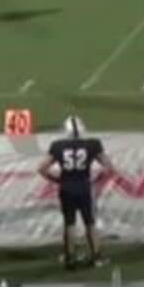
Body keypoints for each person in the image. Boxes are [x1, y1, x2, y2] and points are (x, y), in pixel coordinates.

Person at [38, 115, 115, 269]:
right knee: (90, 223)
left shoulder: (57, 145)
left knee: (69, 223)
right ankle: (96, 257)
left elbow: (41, 168)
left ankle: (70, 258)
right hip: (84, 187)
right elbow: (110, 168)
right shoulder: (93, 144)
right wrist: (97, 179)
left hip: (66, 187)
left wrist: (58, 180)